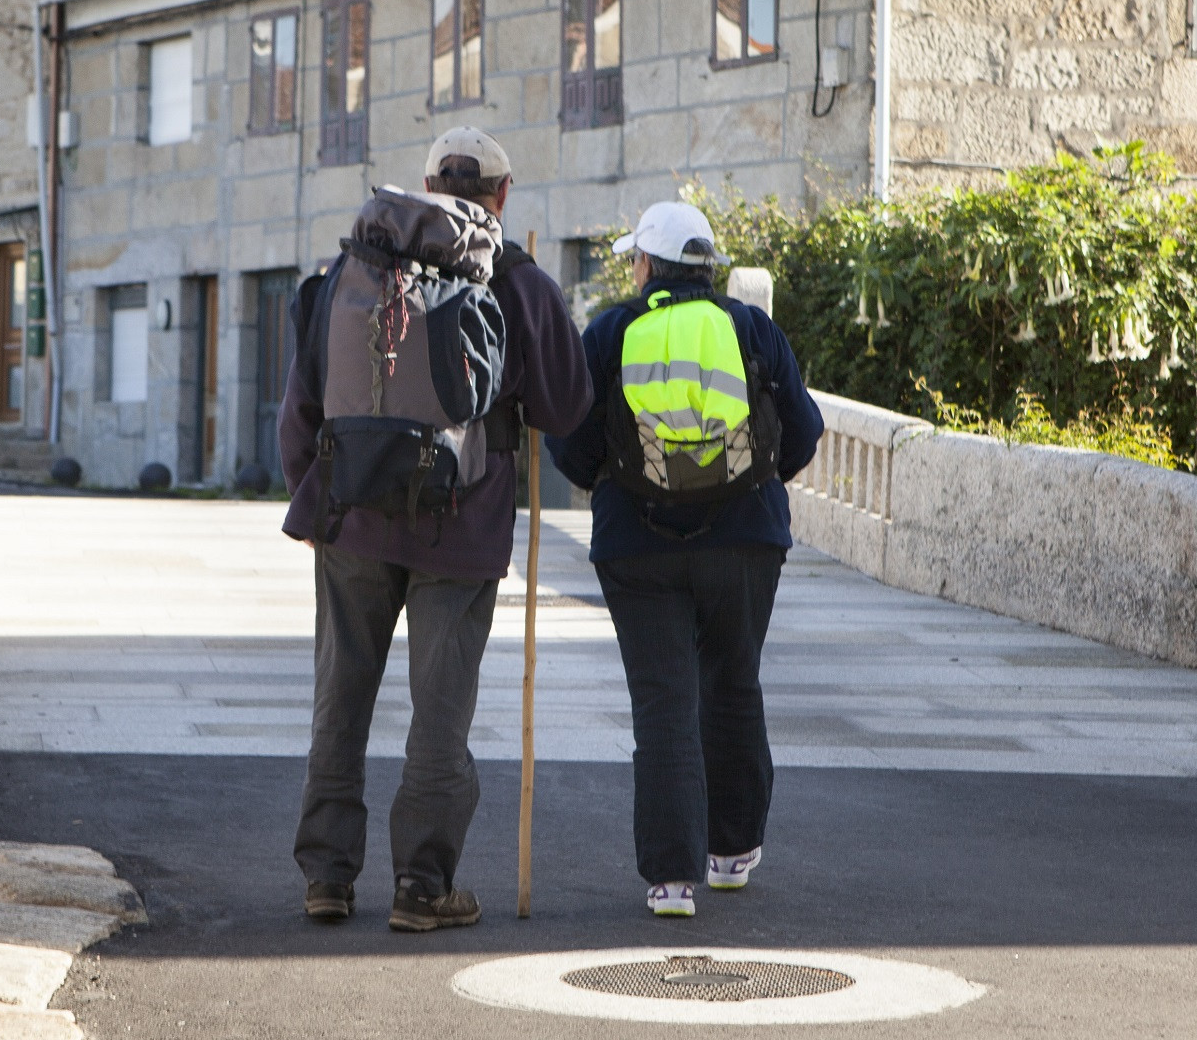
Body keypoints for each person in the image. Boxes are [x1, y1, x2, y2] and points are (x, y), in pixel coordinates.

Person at [280, 126, 592, 931]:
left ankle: (326, 876)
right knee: (440, 711)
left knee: (339, 697)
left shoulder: (352, 265)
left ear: (424, 186)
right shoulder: (516, 279)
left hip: (352, 517)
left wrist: (312, 500)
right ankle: (422, 884)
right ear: (502, 193)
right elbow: (566, 407)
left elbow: (303, 399)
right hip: (460, 527)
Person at [550, 200, 822, 917]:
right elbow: (803, 430)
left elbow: (569, 443)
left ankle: (671, 880)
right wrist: (747, 487)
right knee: (733, 683)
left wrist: (615, 480)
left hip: (637, 546)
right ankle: (731, 852)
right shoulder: (751, 328)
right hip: (745, 540)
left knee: (663, 699)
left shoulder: (611, 330)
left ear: (646, 265)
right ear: (708, 268)